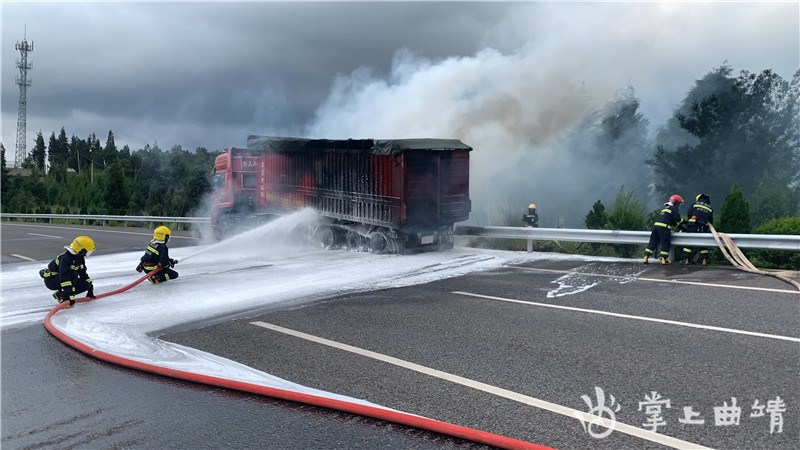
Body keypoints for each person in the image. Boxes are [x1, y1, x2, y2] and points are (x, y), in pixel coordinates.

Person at [40, 236, 97, 308]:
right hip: (52, 280)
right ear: (82, 250)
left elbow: (83, 273)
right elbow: (65, 278)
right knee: (73, 274)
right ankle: (64, 298)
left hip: (67, 278)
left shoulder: (79, 258)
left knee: (85, 285)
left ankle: (60, 294)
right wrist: (70, 296)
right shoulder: (66, 258)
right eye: (88, 251)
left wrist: (90, 287)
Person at [644, 195, 685, 265]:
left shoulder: (665, 209)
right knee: (665, 243)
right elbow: (678, 219)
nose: (678, 205)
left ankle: (646, 257)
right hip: (664, 228)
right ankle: (664, 259)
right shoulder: (673, 209)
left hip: (656, 227)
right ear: (675, 203)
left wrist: (679, 227)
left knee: (653, 242)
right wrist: (684, 222)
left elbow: (671, 221)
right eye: (678, 204)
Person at [679, 194, 714, 265]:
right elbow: (710, 221)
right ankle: (704, 260)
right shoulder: (710, 208)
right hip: (703, 228)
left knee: (689, 242)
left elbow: (689, 214)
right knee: (703, 243)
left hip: (692, 226)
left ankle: (685, 259)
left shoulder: (695, 204)